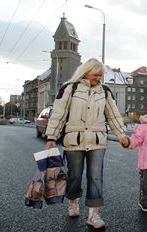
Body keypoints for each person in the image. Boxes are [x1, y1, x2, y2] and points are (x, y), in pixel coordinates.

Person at [45, 58, 127, 229]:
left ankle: (93, 215)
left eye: (100, 75)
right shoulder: (70, 88)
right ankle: (73, 202)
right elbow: (59, 114)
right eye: (95, 74)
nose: (98, 78)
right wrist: (52, 137)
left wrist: (121, 135)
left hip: (97, 141)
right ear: (85, 72)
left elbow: (113, 115)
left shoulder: (104, 91)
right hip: (74, 140)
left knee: (96, 177)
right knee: (74, 175)